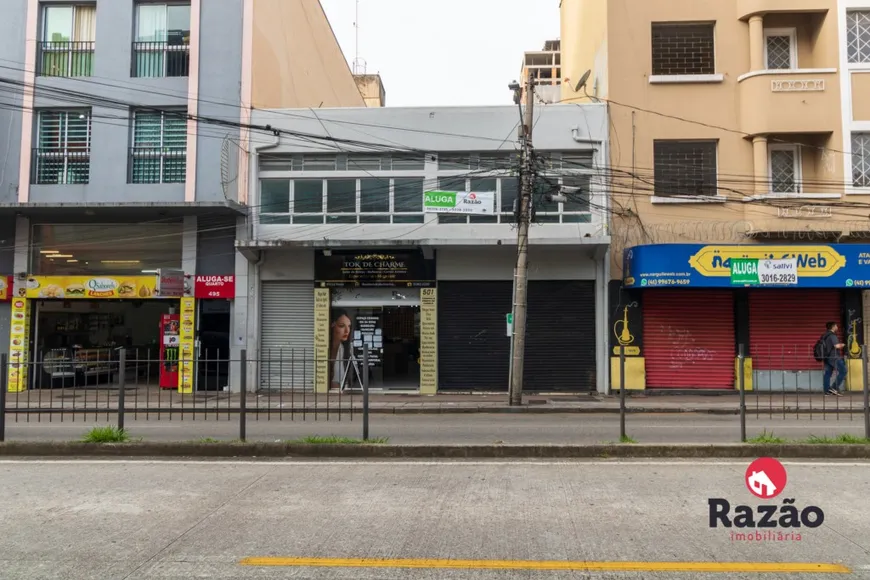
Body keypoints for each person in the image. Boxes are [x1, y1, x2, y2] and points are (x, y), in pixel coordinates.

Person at [330, 309, 352, 391]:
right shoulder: (326, 348)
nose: (347, 331)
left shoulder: (346, 351)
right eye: (342, 326)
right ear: (332, 325)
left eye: (349, 326)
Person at [822, 321, 846, 396]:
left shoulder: (824, 335)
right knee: (843, 371)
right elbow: (837, 346)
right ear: (833, 327)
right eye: (836, 326)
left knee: (827, 374)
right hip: (834, 357)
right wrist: (843, 344)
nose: (837, 327)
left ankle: (827, 391)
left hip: (827, 357)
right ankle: (834, 388)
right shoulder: (832, 336)